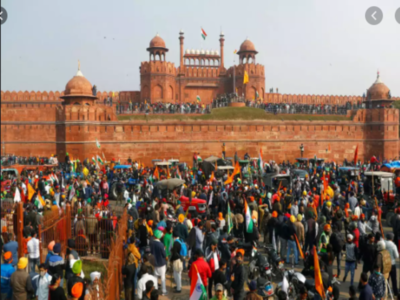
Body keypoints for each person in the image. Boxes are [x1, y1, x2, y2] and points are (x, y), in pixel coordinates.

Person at [150, 230, 167, 296]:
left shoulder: (152, 244)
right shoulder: (161, 244)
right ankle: (163, 291)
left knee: (155, 278)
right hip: (161, 264)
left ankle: (156, 291)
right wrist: (164, 249)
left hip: (154, 263)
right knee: (163, 278)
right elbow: (164, 255)